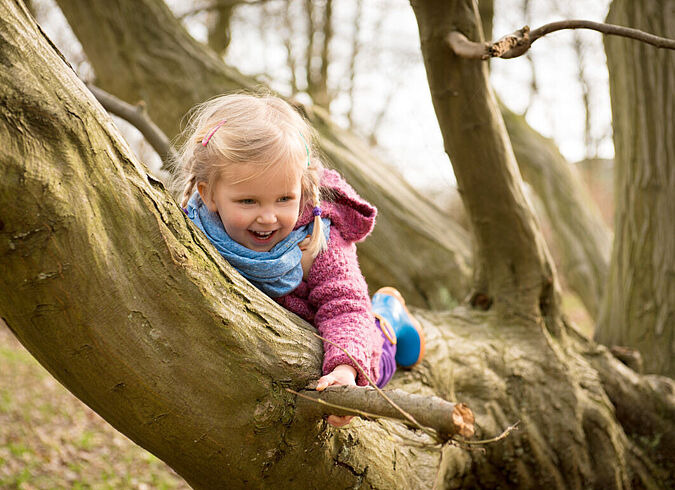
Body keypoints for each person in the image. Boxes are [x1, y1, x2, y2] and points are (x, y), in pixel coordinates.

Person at [173, 92, 424, 427]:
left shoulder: (318, 240)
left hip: (337, 329)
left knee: (377, 361)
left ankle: (392, 319)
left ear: (303, 190)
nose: (267, 217)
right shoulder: (193, 230)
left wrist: (345, 371)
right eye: (248, 201)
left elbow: (346, 305)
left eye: (283, 199)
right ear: (209, 195)